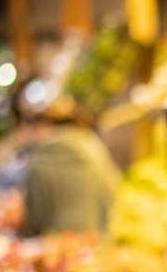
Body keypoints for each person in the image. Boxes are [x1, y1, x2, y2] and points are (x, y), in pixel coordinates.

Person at [17, 81, 121, 237]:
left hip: (59, 247)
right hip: (98, 241)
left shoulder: (40, 162)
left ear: (44, 123)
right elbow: (113, 192)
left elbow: (33, 222)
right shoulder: (93, 146)